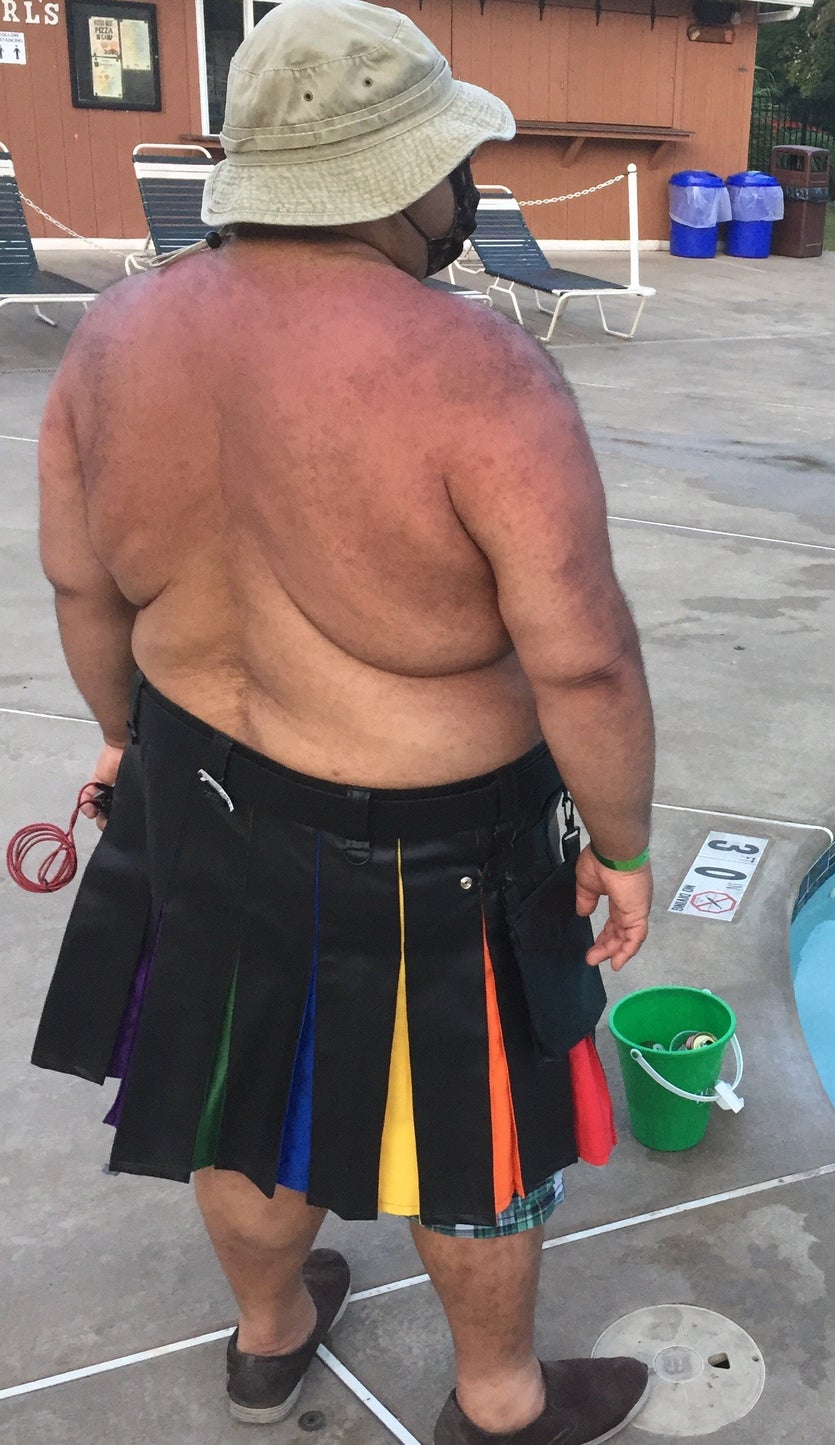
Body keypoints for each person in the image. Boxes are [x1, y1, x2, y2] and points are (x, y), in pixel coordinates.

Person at [29, 3, 656, 1442]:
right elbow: (586, 669)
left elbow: (81, 586)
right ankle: (499, 1399)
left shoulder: (113, 339)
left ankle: (271, 1330)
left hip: (196, 785)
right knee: (472, 1129)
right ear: (407, 181)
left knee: (226, 1079)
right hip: (436, 836)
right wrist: (619, 843)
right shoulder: (479, 373)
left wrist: (124, 739)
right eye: (455, 162)